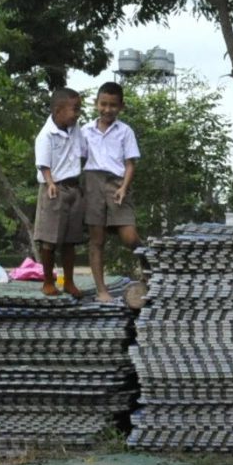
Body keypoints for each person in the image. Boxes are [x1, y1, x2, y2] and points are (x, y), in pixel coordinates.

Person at [81, 81, 141, 303]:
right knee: (97, 239)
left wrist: (124, 187)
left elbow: (130, 163)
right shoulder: (85, 131)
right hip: (93, 182)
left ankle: (148, 267)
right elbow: (78, 157)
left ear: (121, 106)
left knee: (129, 237)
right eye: (103, 104)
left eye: (113, 105)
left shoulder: (125, 131)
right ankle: (101, 289)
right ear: (96, 104)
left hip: (117, 184)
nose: (107, 110)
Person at [33, 88, 86, 299]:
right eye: (75, 109)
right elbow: (43, 164)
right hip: (54, 188)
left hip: (73, 187)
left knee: (70, 239)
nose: (78, 114)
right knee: (50, 238)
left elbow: (82, 150)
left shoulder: (75, 128)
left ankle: (69, 282)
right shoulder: (46, 135)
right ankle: (48, 281)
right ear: (58, 110)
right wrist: (50, 182)